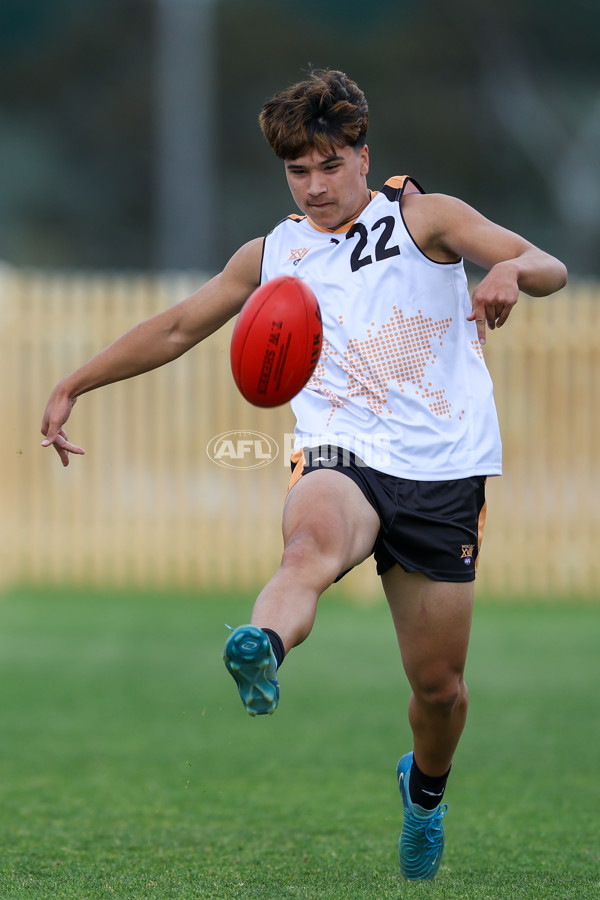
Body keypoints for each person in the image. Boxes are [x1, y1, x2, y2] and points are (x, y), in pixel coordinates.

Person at [41, 69, 567, 881]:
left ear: (362, 155)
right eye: (298, 171)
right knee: (307, 549)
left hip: (442, 473)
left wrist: (509, 273)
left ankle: (424, 793)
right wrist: (76, 382)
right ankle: (264, 647)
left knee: (440, 691)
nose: (315, 186)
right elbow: (181, 325)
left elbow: (547, 263)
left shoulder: (424, 218)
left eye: (329, 166)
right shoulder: (274, 252)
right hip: (339, 452)